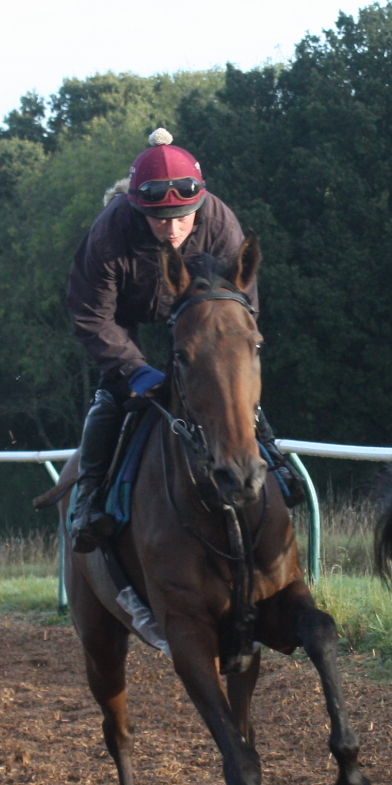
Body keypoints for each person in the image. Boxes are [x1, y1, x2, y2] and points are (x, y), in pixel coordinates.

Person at [64, 128, 258, 550]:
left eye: (182, 217)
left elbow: (243, 309)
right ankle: (89, 498)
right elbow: (91, 315)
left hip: (196, 311)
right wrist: (134, 371)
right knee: (113, 394)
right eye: (159, 219)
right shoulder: (110, 230)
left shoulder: (222, 223)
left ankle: (275, 465)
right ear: (137, 209)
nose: (171, 229)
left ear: (199, 204)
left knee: (233, 383)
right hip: (123, 314)